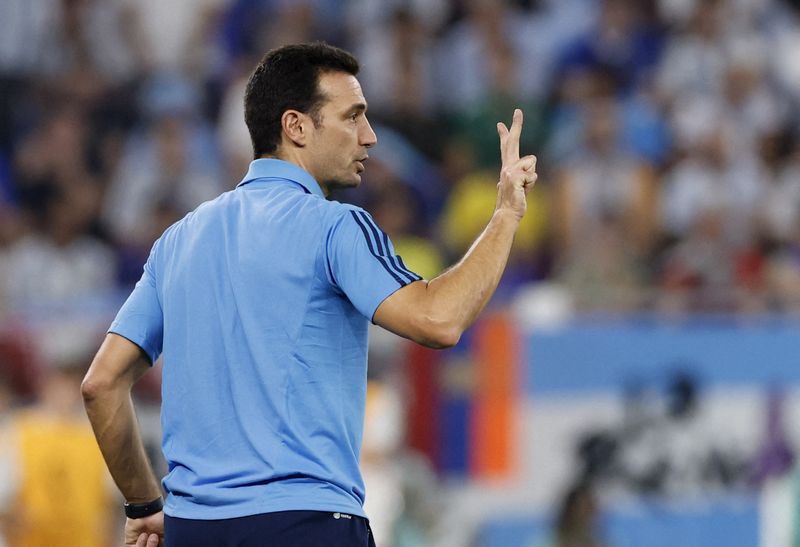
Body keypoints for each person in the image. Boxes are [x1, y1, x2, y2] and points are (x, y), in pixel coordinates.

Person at [81, 41, 537, 547]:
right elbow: (438, 320)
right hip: (306, 523)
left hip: (194, 530)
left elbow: (101, 385)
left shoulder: (178, 239)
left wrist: (145, 505)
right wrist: (505, 215)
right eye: (352, 117)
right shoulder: (334, 227)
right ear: (296, 126)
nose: (370, 137)